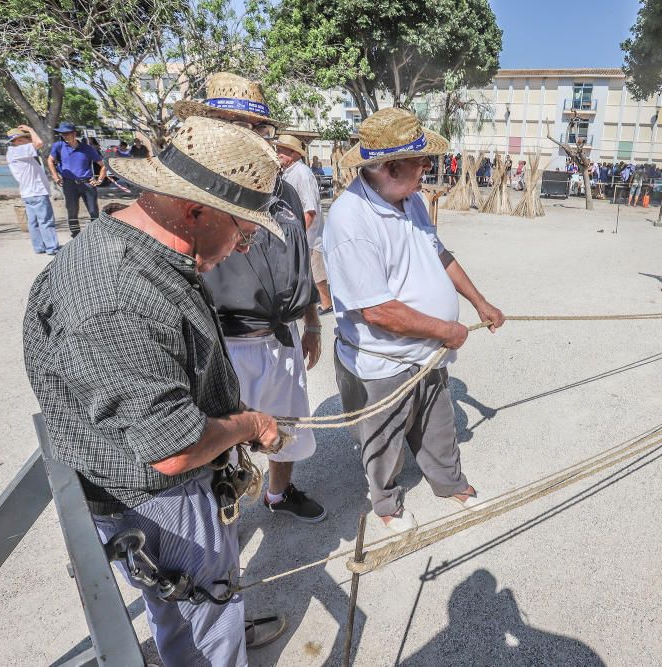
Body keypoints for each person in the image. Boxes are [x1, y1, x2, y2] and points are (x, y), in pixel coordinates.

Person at [23, 116, 289, 666]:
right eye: (243, 230)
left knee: (187, 610)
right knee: (206, 613)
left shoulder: (141, 252)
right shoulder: (119, 296)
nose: (243, 246)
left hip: (148, 488)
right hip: (156, 498)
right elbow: (173, 450)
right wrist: (249, 424)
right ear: (196, 211)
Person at [325, 107, 505, 533]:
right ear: (389, 167)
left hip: (428, 352)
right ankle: (385, 503)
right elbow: (377, 311)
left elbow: (439, 254)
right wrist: (448, 330)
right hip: (384, 359)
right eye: (421, 160)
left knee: (437, 422)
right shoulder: (349, 220)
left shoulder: (413, 200)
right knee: (383, 437)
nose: (428, 167)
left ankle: (449, 482)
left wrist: (480, 303)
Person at [179, 73, 328, 521]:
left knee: (287, 432)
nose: (251, 137)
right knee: (218, 445)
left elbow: (299, 258)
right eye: (234, 124)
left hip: (279, 338)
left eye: (257, 128)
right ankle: (219, 521)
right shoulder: (191, 189)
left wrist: (313, 321)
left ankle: (280, 496)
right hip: (221, 344)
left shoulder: (282, 189)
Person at [275, 134, 333, 313]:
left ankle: (327, 303)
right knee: (306, 271)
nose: (278, 153)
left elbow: (310, 211)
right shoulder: (289, 173)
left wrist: (299, 235)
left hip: (308, 234)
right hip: (298, 231)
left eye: (282, 151)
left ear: (293, 154)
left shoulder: (302, 174)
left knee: (317, 272)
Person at [5, 125, 60, 255]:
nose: (29, 140)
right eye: (25, 138)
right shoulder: (18, 151)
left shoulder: (15, 153)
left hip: (28, 193)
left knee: (34, 222)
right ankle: (52, 247)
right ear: (18, 141)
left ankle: (39, 246)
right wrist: (30, 129)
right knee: (46, 220)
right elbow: (39, 143)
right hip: (36, 192)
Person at [47, 121, 106, 238]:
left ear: (74, 133)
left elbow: (103, 165)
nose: (64, 136)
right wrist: (55, 176)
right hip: (69, 184)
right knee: (72, 211)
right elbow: (50, 161)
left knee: (93, 211)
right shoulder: (58, 146)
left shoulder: (87, 148)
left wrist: (99, 180)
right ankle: (75, 235)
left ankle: (96, 234)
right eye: (62, 134)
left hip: (87, 183)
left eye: (66, 133)